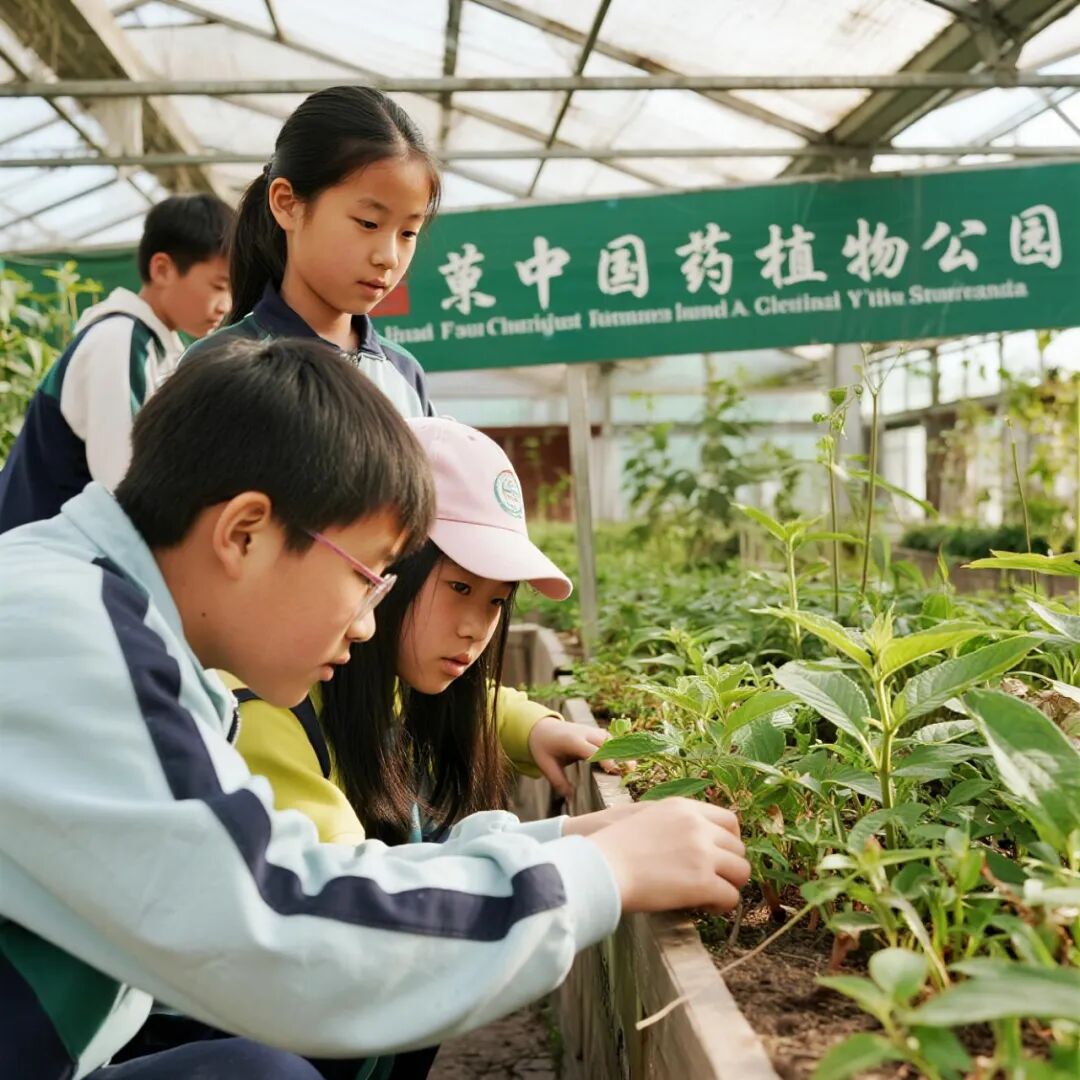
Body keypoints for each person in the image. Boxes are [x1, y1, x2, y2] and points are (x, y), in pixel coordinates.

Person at [0, 336, 750, 1079]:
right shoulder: (68, 639)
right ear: (245, 533)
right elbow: (280, 929)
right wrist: (598, 872)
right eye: (371, 576)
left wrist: (563, 841)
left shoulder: (110, 623)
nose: (366, 623)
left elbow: (302, 877)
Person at [234, 418, 610, 854]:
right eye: (460, 588)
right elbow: (355, 887)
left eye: (497, 602)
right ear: (386, 565)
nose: (475, 628)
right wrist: (581, 848)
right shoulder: (268, 713)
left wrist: (535, 729)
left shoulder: (386, 676)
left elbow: (472, 699)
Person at [181, 85, 437, 418]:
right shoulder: (216, 368)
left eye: (408, 232)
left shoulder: (404, 374)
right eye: (368, 223)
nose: (389, 257)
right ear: (287, 204)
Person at [0, 193, 234, 533]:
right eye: (218, 286)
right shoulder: (118, 341)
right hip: (38, 554)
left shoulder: (150, 345)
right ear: (162, 269)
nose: (224, 305)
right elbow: (123, 483)